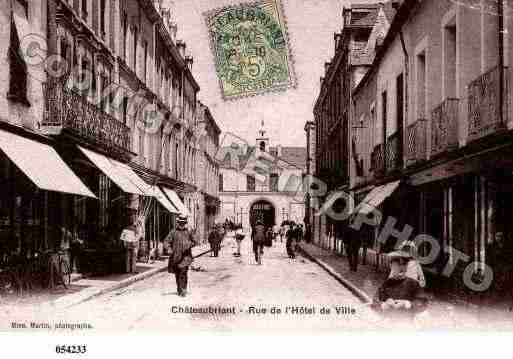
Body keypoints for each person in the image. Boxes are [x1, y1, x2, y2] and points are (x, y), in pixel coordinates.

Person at [372, 249, 428, 321]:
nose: (401, 268)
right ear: (391, 266)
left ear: (407, 266)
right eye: (397, 264)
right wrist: (383, 305)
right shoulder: (386, 284)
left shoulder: (414, 284)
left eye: (404, 264)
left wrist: (408, 304)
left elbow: (423, 303)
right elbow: (375, 302)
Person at [166, 215, 198, 297]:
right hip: (176, 256)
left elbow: (195, 241)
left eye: (183, 223)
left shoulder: (189, 232)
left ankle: (183, 289)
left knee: (183, 272)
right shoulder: (173, 232)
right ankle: (179, 289)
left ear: (185, 223)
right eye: (180, 223)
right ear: (178, 223)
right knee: (177, 273)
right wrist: (169, 248)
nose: (182, 225)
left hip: (186, 256)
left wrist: (189, 244)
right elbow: (166, 241)